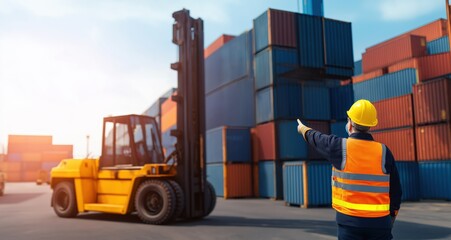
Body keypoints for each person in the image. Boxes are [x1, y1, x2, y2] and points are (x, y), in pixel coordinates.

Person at [297, 99, 402, 240]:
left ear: (350, 123)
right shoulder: (384, 151)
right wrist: (391, 217)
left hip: (349, 224)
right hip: (380, 224)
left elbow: (317, 139)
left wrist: (303, 129)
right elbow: (396, 191)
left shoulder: (340, 147)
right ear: (371, 125)